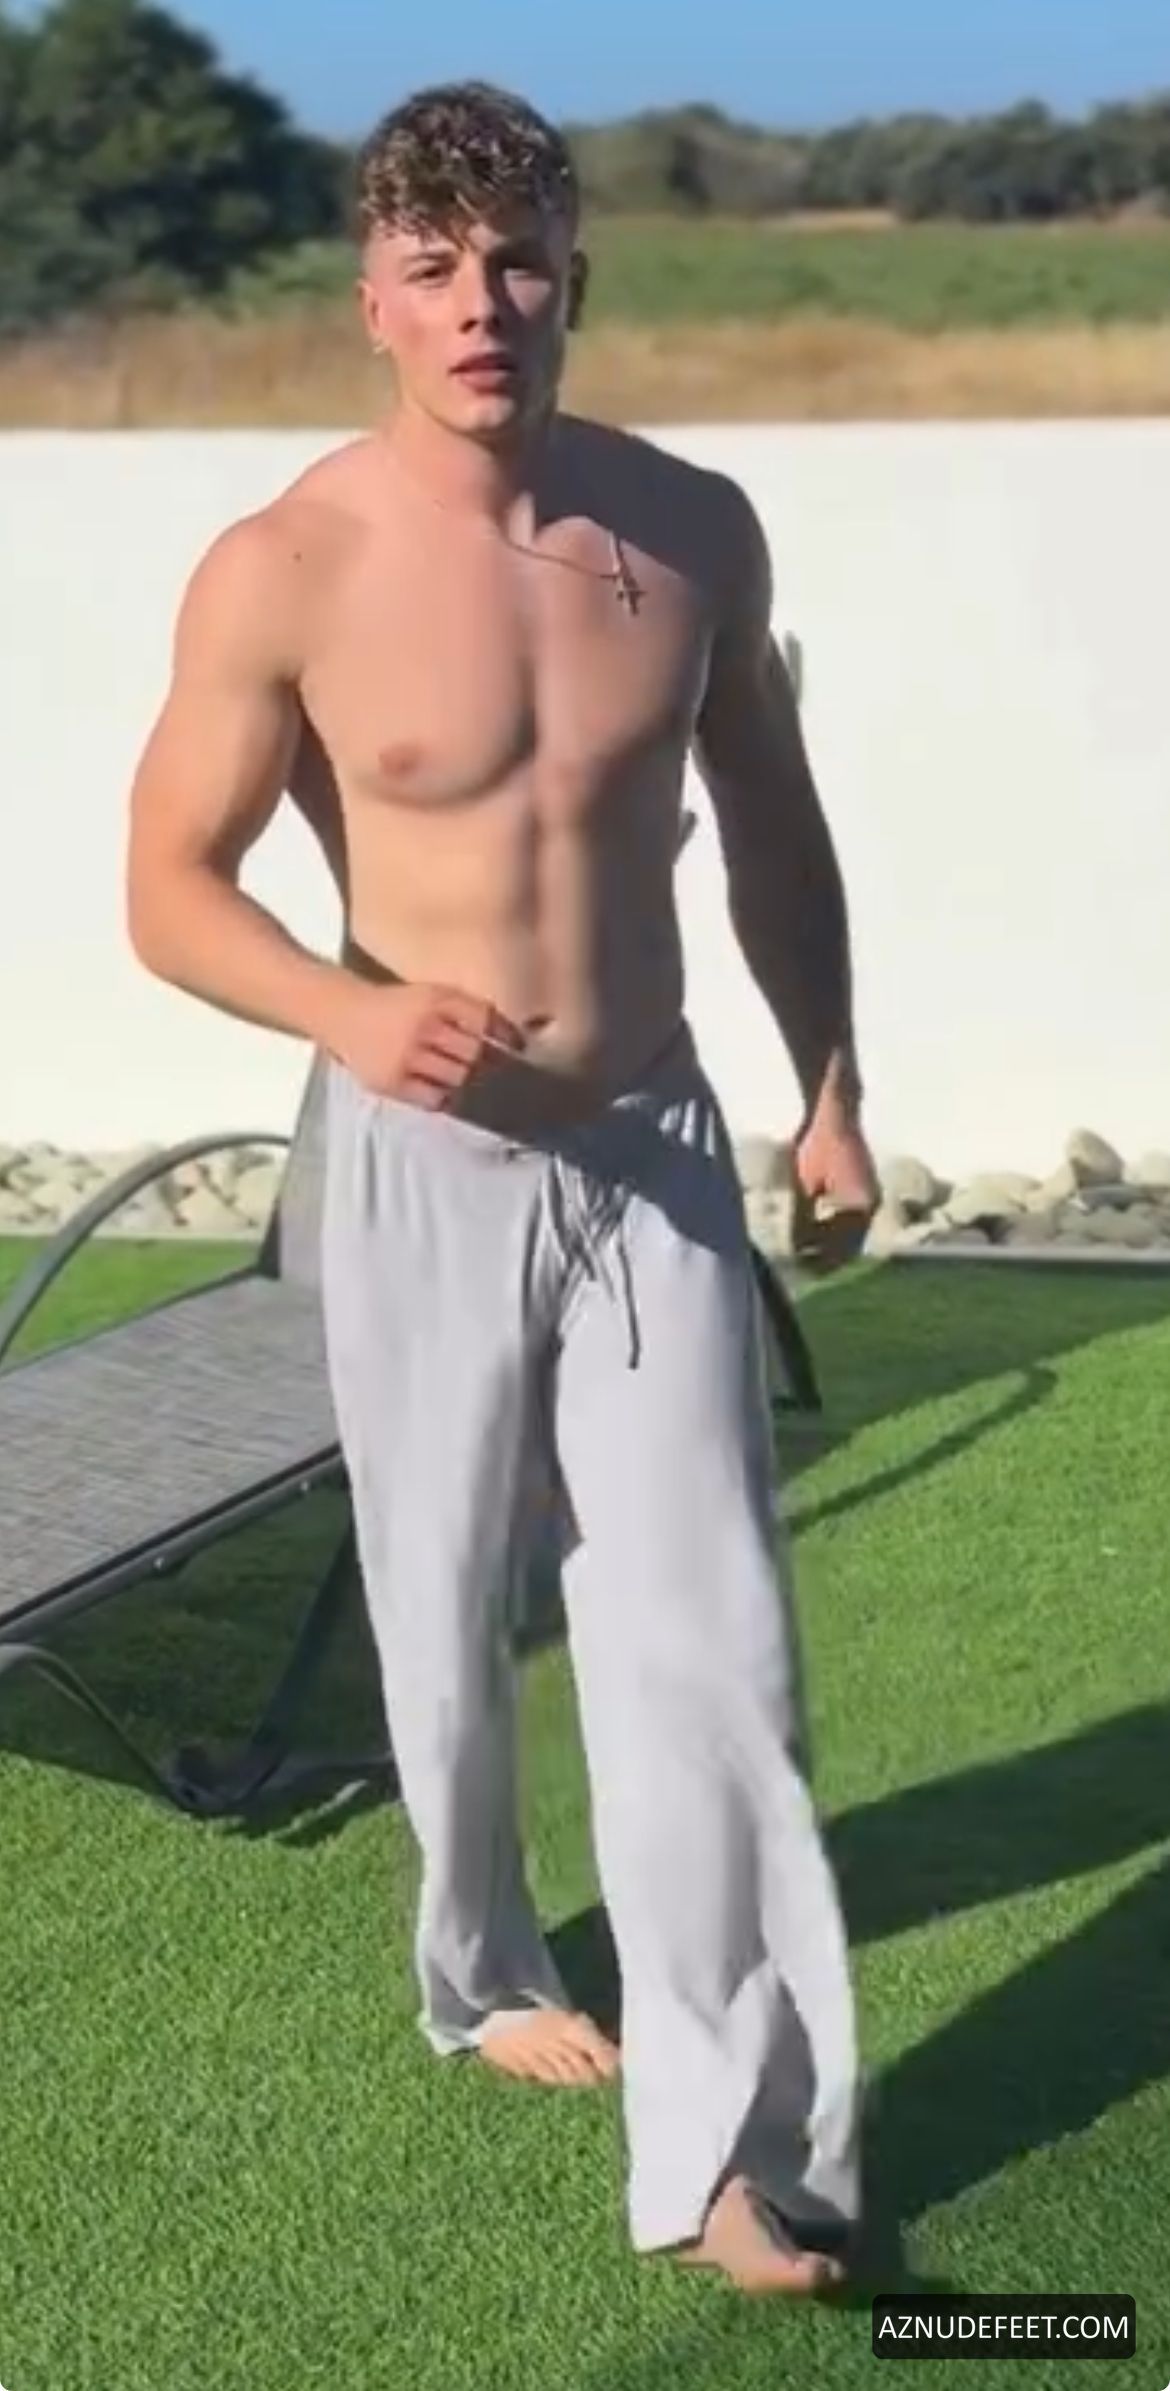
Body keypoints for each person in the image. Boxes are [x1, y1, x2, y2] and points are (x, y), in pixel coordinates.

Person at [124, 79, 881, 2295]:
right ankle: (478, 1959)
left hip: (651, 1139)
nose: (483, 303)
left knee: (709, 1635)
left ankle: (733, 2152)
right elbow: (167, 887)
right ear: (373, 301)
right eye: (435, 268)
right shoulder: (289, 566)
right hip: (422, 1155)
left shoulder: (691, 531)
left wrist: (831, 1087)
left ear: (575, 282)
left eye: (520, 259)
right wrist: (343, 1015)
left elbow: (774, 829)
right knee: (445, 1608)